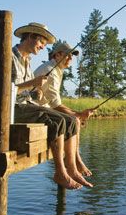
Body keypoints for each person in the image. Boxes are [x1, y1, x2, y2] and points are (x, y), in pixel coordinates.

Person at [4, 22, 93, 190]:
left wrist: (35, 90)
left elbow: (27, 91)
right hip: (12, 109)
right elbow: (4, 89)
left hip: (26, 104)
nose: (43, 47)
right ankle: (61, 172)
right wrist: (33, 83)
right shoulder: (8, 57)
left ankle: (72, 169)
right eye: (41, 42)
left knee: (69, 120)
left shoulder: (27, 60)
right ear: (30, 36)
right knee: (60, 121)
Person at [34, 42, 95, 177]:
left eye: (72, 56)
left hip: (44, 109)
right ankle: (74, 162)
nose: (70, 59)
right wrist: (79, 114)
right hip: (35, 111)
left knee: (75, 120)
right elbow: (56, 105)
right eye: (67, 55)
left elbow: (56, 103)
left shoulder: (56, 70)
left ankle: (76, 160)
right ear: (57, 55)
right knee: (75, 120)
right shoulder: (50, 70)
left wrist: (78, 115)